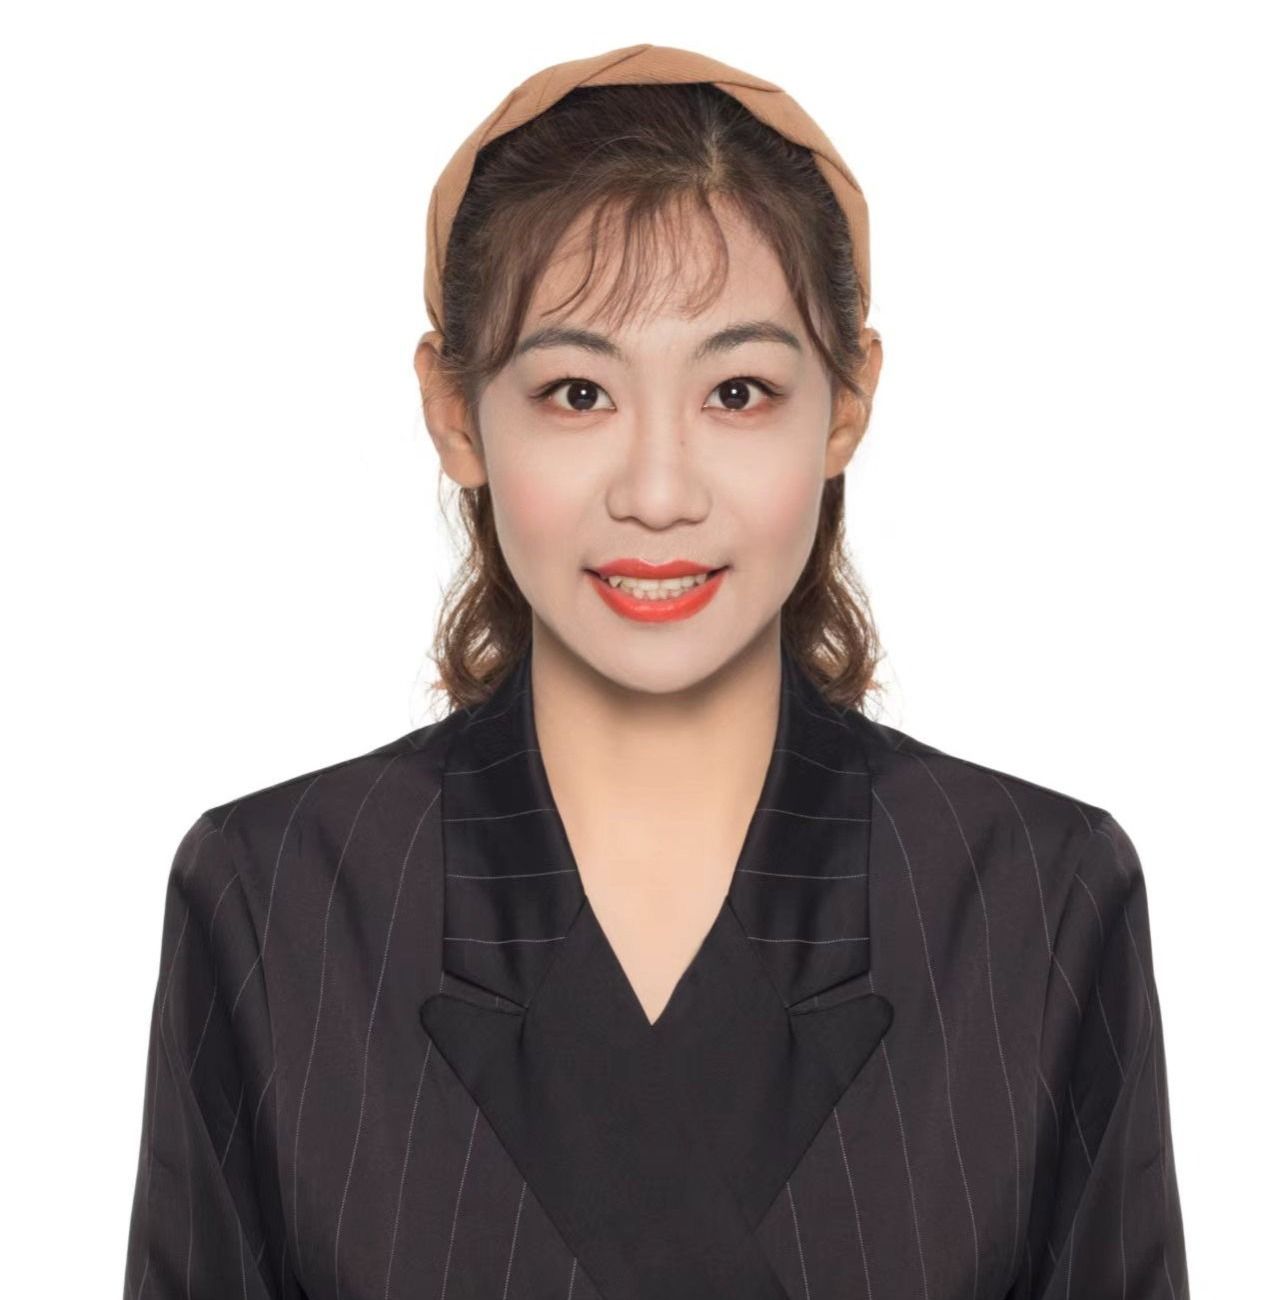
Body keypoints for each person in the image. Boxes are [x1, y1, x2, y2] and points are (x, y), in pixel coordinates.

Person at [122, 44, 1190, 1300]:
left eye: (738, 390)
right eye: (579, 392)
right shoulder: (277, 903)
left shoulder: (1035, 902)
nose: (660, 492)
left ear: (847, 404)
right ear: (456, 413)